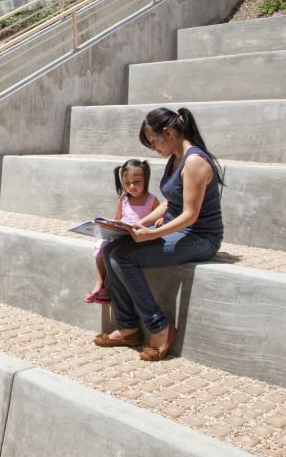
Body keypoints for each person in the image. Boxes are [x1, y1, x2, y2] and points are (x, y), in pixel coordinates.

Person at [93, 107, 224, 361]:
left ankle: (159, 327)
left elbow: (190, 215)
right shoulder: (176, 158)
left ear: (169, 132)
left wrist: (152, 235)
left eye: (154, 142)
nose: (154, 149)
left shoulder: (195, 161)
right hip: (179, 231)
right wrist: (139, 224)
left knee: (123, 257)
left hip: (200, 238)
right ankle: (129, 327)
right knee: (110, 249)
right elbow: (169, 203)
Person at [85, 159, 160, 305]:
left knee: (117, 253)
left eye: (136, 181)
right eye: (127, 183)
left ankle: (108, 289)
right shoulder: (124, 199)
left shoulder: (152, 200)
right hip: (123, 235)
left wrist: (159, 220)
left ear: (146, 179)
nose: (131, 186)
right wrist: (109, 228)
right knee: (101, 244)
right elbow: (116, 219)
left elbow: (159, 216)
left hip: (138, 238)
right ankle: (100, 283)